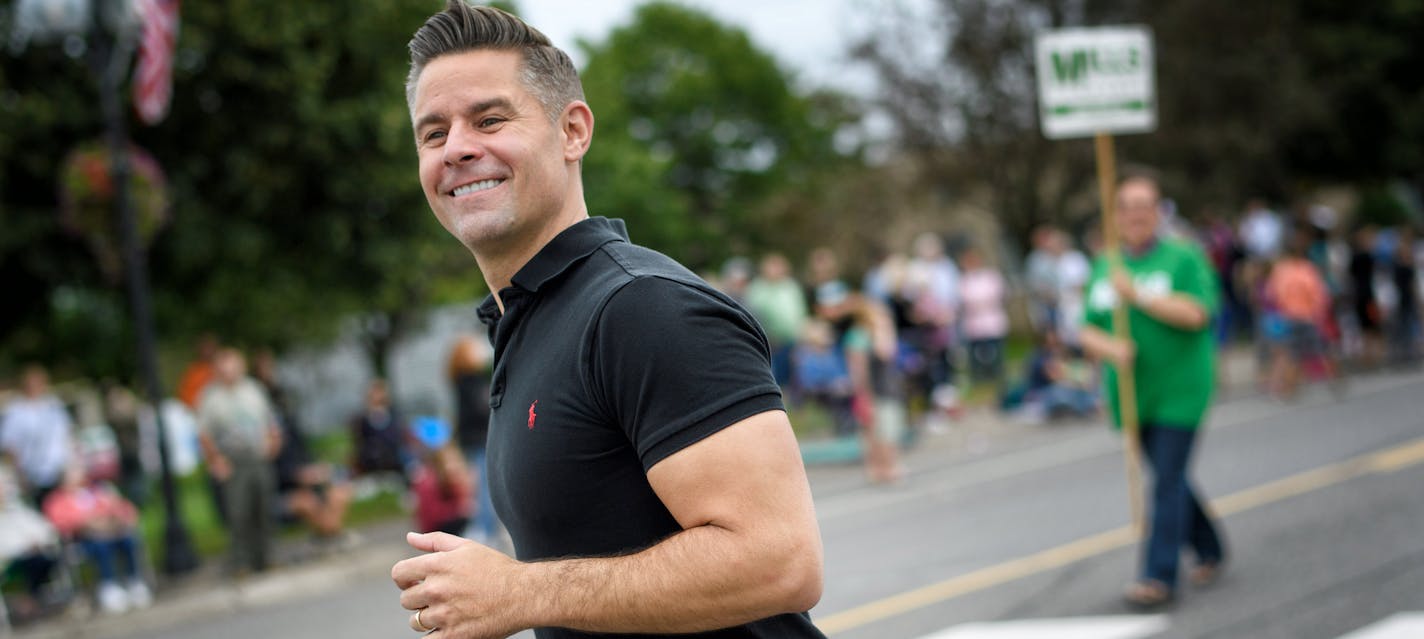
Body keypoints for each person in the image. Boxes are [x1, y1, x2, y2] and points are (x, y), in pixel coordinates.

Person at [390, 4, 824, 638]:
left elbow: (781, 561)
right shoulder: (526, 321)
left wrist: (522, 592)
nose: (457, 148)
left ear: (572, 131)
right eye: (433, 133)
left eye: (489, 119)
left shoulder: (642, 308)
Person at [1079, 170, 1226, 608]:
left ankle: (1157, 575)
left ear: (1159, 211)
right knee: (1171, 476)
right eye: (1127, 206)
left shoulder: (1183, 257)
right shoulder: (1106, 264)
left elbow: (1198, 314)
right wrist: (1110, 346)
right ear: (1116, 214)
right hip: (1133, 393)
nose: (1136, 214)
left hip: (1181, 388)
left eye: (1145, 205)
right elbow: (1087, 328)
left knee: (1165, 480)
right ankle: (1211, 547)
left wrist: (1139, 296)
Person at [253, 350, 353, 548]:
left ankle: (328, 535)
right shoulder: (264, 441)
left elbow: (304, 452)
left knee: (340, 492)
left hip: (306, 479)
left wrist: (315, 469)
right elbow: (275, 474)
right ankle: (332, 535)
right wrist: (297, 475)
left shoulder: (288, 416)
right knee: (306, 502)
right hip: (285, 488)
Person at [196, 348, 282, 576]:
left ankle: (266, 556)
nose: (229, 372)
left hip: (257, 455)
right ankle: (241, 561)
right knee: (238, 512)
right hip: (232, 459)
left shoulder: (253, 389)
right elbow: (204, 434)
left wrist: (273, 442)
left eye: (233, 366)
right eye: (224, 367)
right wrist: (216, 460)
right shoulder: (211, 397)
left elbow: (270, 420)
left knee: (263, 507)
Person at [41, 464, 151, 614]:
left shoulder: (97, 492)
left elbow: (121, 509)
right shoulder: (56, 501)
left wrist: (116, 520)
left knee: (128, 541)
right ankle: (109, 586)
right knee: (101, 546)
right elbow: (60, 523)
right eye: (72, 475)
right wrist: (87, 523)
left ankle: (133, 581)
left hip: (111, 532)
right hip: (81, 540)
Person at [446, 335, 500, 544]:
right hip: (479, 440)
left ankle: (486, 528)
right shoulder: (470, 383)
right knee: (485, 487)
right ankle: (485, 529)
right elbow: (480, 411)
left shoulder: (464, 382)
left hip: (474, 440)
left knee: (483, 486)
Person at [0, 365, 74, 509]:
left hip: (59, 471)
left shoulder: (54, 406)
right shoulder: (15, 412)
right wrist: (20, 475)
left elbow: (66, 435)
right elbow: (10, 446)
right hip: (31, 474)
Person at [349, 378, 412, 482]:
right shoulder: (362, 420)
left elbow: (401, 440)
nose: (377, 396)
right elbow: (358, 445)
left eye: (379, 392)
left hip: (394, 466)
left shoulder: (395, 417)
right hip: (370, 467)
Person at [411, 443, 474, 536]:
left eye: (456, 461)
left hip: (446, 522)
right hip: (434, 528)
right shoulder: (429, 482)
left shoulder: (448, 479)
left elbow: (464, 501)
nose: (454, 466)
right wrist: (457, 510)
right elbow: (433, 515)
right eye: (450, 462)